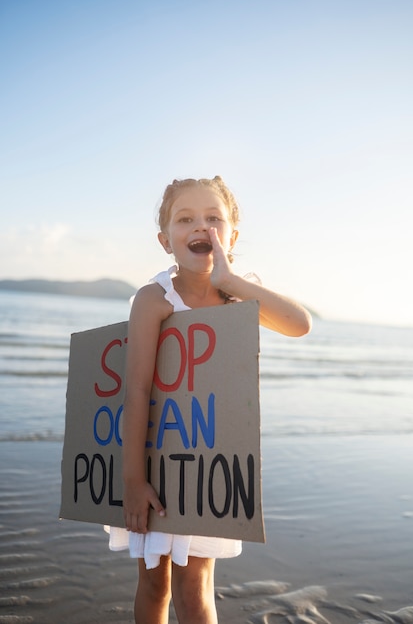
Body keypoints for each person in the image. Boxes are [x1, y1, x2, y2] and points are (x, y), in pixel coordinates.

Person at [108, 176, 312, 624]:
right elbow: (136, 388)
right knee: (154, 581)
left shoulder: (238, 293)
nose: (201, 227)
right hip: (156, 463)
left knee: (196, 586)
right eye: (186, 219)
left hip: (207, 465)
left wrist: (230, 279)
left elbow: (299, 324)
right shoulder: (155, 298)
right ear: (166, 240)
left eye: (214, 218)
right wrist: (133, 480)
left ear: (232, 236)